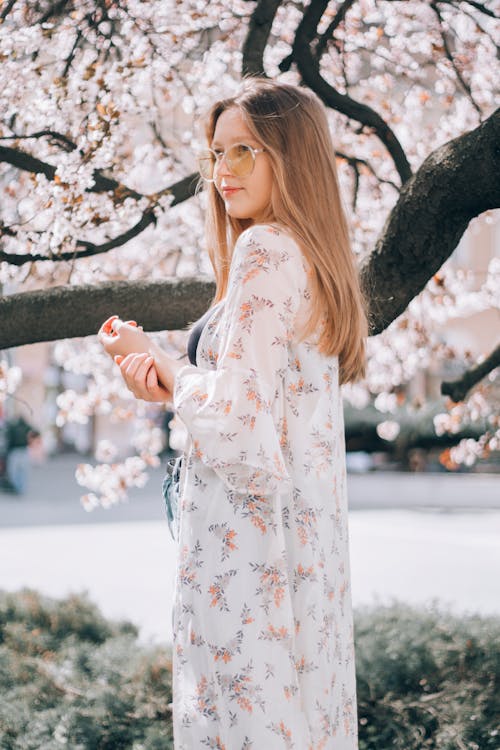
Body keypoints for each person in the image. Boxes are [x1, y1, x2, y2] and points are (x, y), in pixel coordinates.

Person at [99, 78, 368, 749]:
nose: (224, 170)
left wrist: (159, 362)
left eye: (244, 151)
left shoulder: (267, 250)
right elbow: (260, 408)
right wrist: (172, 389)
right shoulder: (312, 260)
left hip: (248, 561)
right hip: (296, 554)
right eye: (216, 154)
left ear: (291, 155)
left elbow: (240, 419)